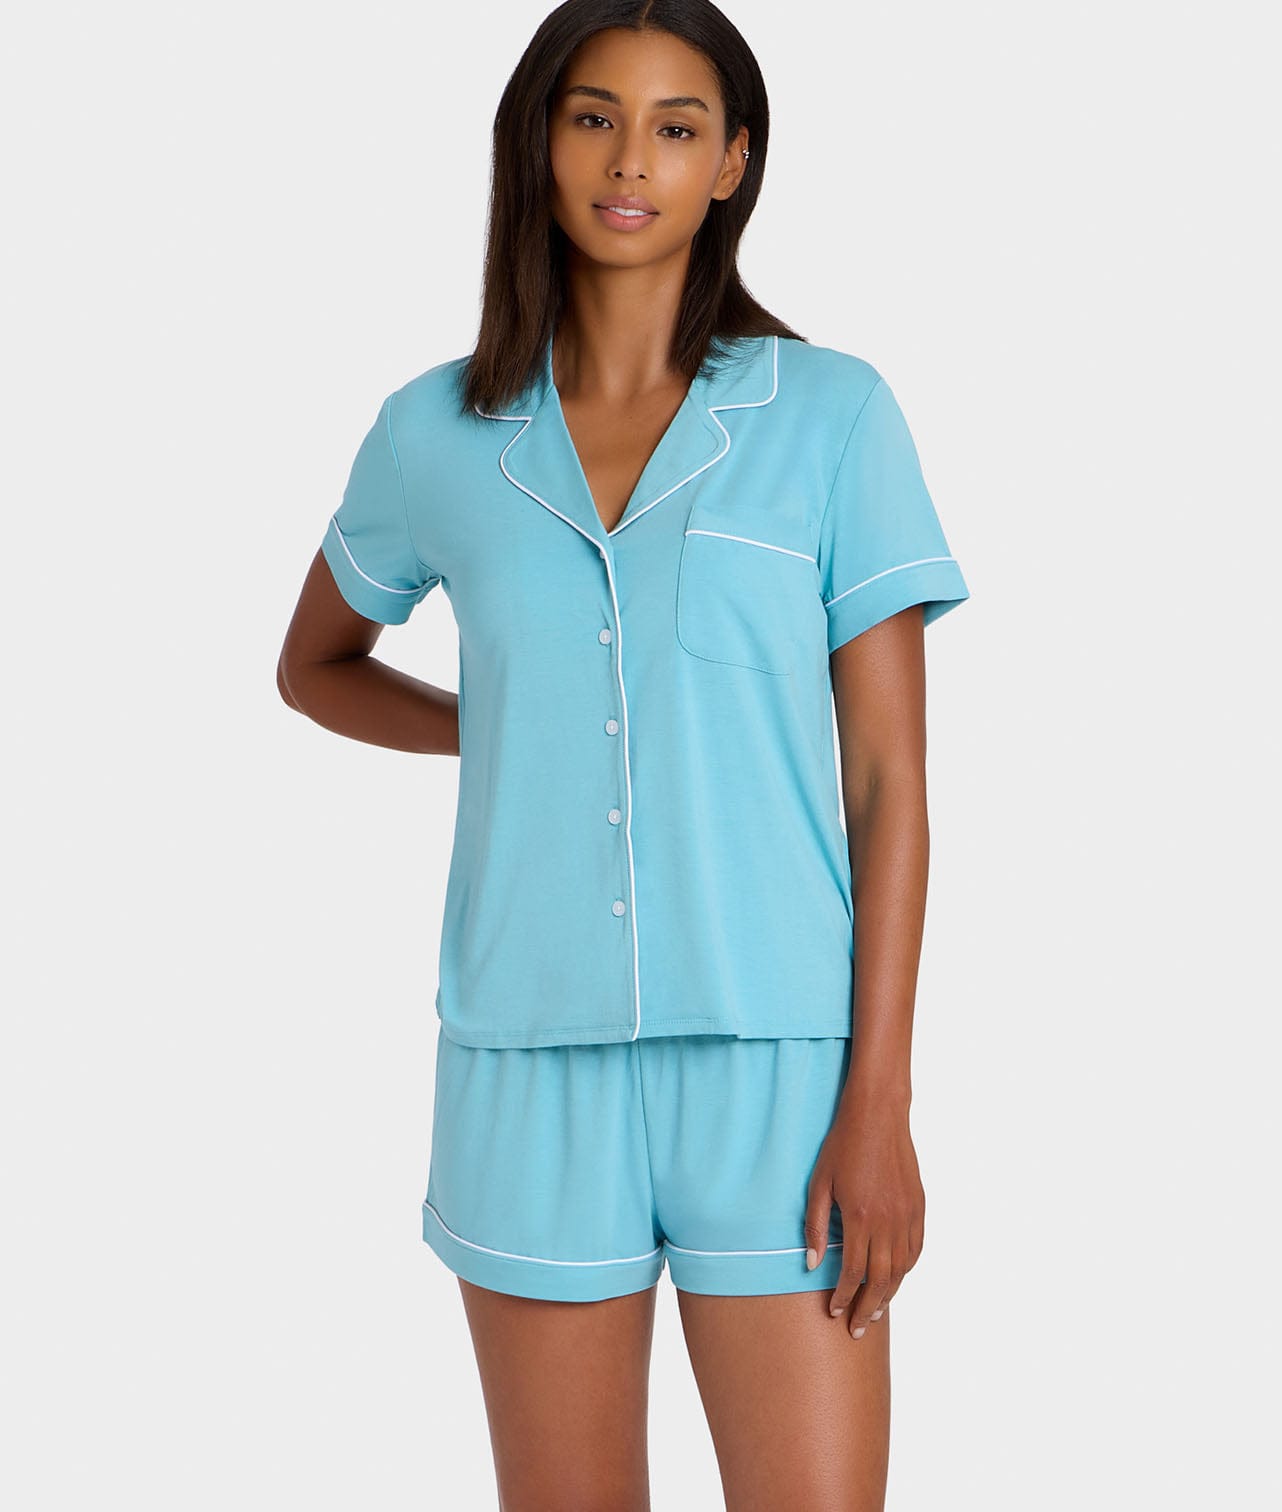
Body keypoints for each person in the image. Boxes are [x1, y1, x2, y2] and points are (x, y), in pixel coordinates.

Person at [276, 1, 970, 1506]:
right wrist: (502, 733)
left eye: (674, 125)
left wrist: (880, 1103)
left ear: (733, 162)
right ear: (538, 143)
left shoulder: (832, 415)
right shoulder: (432, 432)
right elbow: (314, 667)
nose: (629, 160)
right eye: (592, 117)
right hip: (524, 1060)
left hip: (782, 1068)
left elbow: (888, 786)